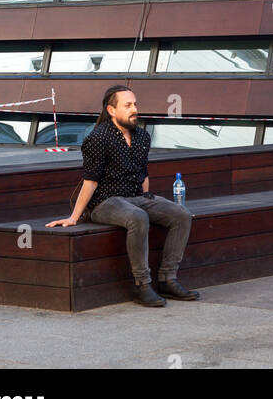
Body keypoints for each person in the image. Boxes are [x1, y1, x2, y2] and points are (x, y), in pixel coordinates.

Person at [46, 85, 198, 308]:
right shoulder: (98, 138)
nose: (134, 109)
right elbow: (90, 181)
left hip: (136, 196)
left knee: (181, 214)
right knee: (137, 217)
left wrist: (150, 201)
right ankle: (142, 285)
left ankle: (167, 279)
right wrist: (74, 217)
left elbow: (143, 174)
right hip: (105, 201)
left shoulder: (142, 137)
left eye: (135, 104)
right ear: (111, 110)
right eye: (127, 105)